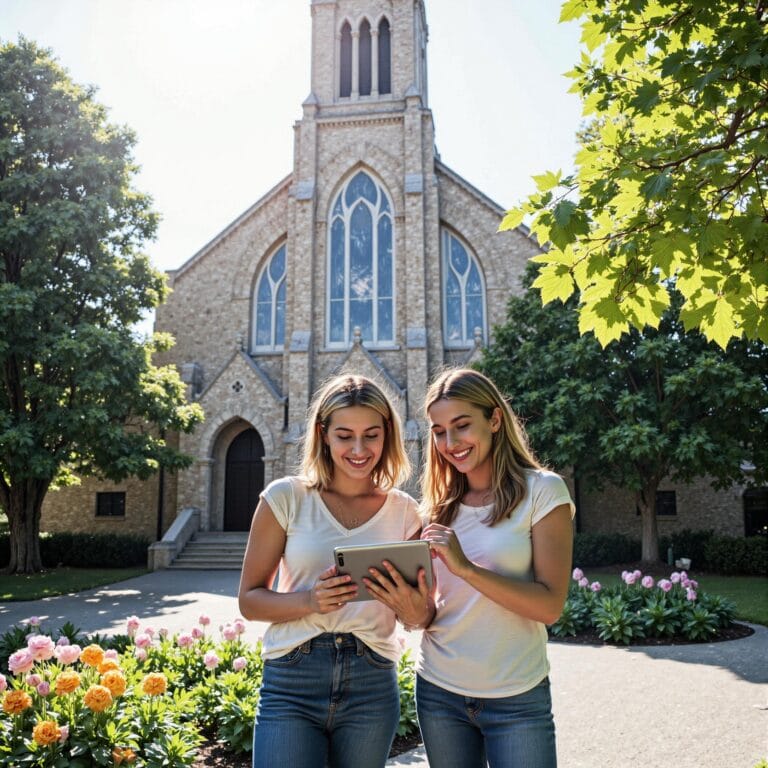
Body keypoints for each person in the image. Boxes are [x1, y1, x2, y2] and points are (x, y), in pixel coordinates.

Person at [370, 367, 573, 768]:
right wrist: (408, 606)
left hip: (516, 695)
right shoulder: (437, 508)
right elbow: (428, 614)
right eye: (439, 431)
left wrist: (467, 568)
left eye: (462, 426)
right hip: (439, 692)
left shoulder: (543, 491)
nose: (450, 443)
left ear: (494, 419)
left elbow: (550, 606)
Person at [238, 374, 425, 768]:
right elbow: (250, 602)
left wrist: (408, 605)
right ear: (323, 434)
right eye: (344, 436)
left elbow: (418, 618)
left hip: (372, 681)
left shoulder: (406, 512)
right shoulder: (285, 497)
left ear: (387, 434)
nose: (358, 449)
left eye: (371, 435)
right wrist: (310, 600)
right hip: (292, 679)